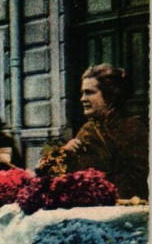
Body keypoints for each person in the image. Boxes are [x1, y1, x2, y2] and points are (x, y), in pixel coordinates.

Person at [61, 64, 149, 199]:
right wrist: (66, 153)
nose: (82, 99)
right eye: (82, 93)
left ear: (110, 96)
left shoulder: (133, 128)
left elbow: (139, 179)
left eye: (89, 92)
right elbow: (70, 175)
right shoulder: (87, 130)